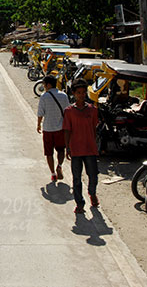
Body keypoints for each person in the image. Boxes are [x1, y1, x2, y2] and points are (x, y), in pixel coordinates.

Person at [63, 78, 100, 214]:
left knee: (93, 175)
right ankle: (80, 203)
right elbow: (67, 130)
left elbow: (95, 129)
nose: (81, 95)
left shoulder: (93, 110)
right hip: (76, 149)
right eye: (78, 92)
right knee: (76, 178)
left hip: (90, 148)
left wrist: (94, 143)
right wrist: (67, 147)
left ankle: (92, 193)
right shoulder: (69, 111)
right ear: (74, 93)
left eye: (84, 92)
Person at [37, 75, 71, 183]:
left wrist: (38, 125)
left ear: (48, 85)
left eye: (44, 85)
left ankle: (53, 174)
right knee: (61, 150)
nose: (44, 87)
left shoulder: (44, 96)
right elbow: (67, 112)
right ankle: (59, 166)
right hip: (60, 129)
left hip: (48, 128)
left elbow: (40, 113)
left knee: (49, 153)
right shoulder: (64, 95)